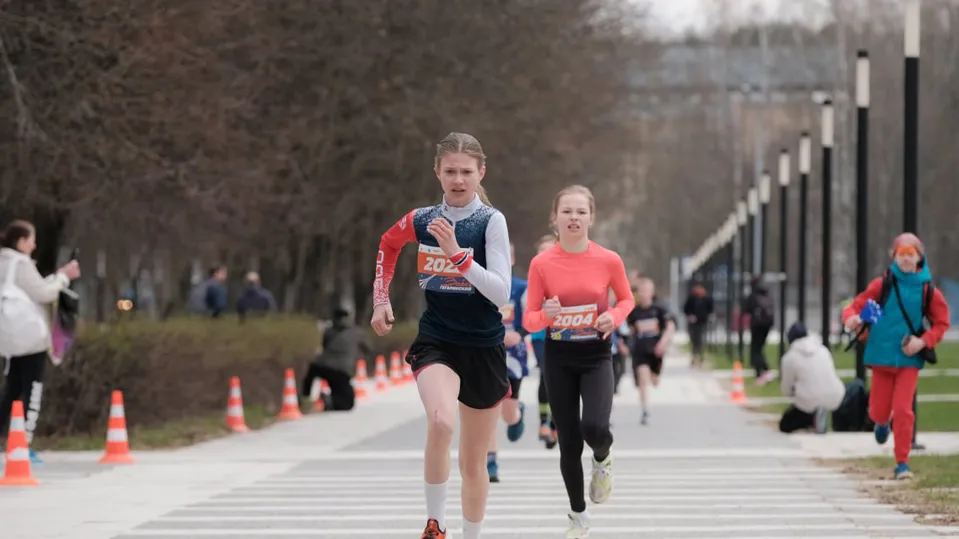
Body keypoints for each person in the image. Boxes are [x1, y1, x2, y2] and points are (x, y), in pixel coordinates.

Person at [370, 132, 512, 539]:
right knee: (441, 421)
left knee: (472, 463)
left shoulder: (491, 222)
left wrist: (457, 255)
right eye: (450, 171)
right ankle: (436, 525)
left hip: (483, 345)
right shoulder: (423, 220)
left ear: (481, 172)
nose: (458, 180)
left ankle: (472, 534)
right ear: (437, 173)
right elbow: (388, 243)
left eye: (466, 172)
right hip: (438, 340)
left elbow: (501, 292)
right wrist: (381, 299)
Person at [523, 185, 634, 539]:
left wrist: (613, 317)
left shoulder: (608, 259)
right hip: (559, 357)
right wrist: (546, 314)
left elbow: (627, 300)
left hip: (596, 354)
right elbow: (529, 320)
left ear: (591, 218)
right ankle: (578, 516)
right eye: (567, 211)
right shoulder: (541, 264)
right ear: (554, 218)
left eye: (581, 211)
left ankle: (603, 457)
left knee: (595, 428)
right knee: (569, 442)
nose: (574, 217)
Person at [842, 233, 950, 480]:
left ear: (920, 257)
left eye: (911, 254)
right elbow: (856, 306)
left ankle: (902, 463)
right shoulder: (883, 284)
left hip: (908, 358)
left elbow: (942, 323)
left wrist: (923, 341)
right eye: (901, 254)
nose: (906, 259)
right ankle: (881, 423)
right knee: (878, 411)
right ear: (894, 256)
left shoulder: (928, 290)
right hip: (881, 357)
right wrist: (851, 319)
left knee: (903, 410)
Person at [0, 220, 81, 458]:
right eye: (32, 240)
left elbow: (31, 290)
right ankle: (23, 445)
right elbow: (44, 294)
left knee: (12, 390)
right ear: (21, 242)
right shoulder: (21, 263)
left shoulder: (4, 264)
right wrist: (64, 278)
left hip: (9, 340)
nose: (34, 246)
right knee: (32, 391)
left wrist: (56, 276)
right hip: (30, 339)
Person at [487, 242, 528, 482]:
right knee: (490, 408)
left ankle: (517, 415)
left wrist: (519, 335)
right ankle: (491, 461)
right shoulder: (480, 284)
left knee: (507, 413)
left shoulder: (521, 288)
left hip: (513, 356)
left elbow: (532, 318)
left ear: (512, 259)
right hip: (487, 353)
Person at [778, 322, 845, 434]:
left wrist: (793, 393)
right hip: (835, 395)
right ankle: (822, 417)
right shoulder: (823, 350)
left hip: (808, 400)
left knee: (785, 424)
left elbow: (786, 387)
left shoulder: (789, 358)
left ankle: (811, 420)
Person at [626, 278, 676, 425]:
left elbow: (670, 327)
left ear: (652, 292)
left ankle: (654, 377)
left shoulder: (659, 310)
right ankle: (645, 409)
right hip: (640, 351)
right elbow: (630, 329)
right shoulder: (634, 312)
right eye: (641, 291)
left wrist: (663, 343)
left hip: (656, 351)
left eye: (647, 291)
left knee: (654, 380)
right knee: (643, 377)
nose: (644, 294)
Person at [301, 307, 371, 411]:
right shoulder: (357, 332)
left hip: (323, 367)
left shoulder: (328, 331)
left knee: (313, 371)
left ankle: (304, 398)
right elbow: (368, 349)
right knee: (347, 403)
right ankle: (328, 401)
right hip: (343, 370)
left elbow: (324, 346)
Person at [529, 234, 558, 450]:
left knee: (560, 378)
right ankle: (544, 422)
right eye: (542, 250)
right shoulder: (533, 278)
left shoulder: (566, 275)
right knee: (546, 372)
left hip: (562, 334)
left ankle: (555, 423)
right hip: (540, 336)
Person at [744, 275, 775, 384]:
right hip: (767, 324)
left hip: (757, 324)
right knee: (760, 347)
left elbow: (747, 309)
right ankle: (763, 371)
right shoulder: (767, 294)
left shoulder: (753, 295)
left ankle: (762, 371)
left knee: (755, 349)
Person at [683, 282, 713, 368]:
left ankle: (701, 357)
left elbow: (710, 310)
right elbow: (686, 309)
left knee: (701, 340)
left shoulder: (706, 299)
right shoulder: (691, 299)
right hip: (693, 323)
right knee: (694, 340)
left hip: (702, 322)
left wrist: (709, 316)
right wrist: (690, 316)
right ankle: (694, 357)